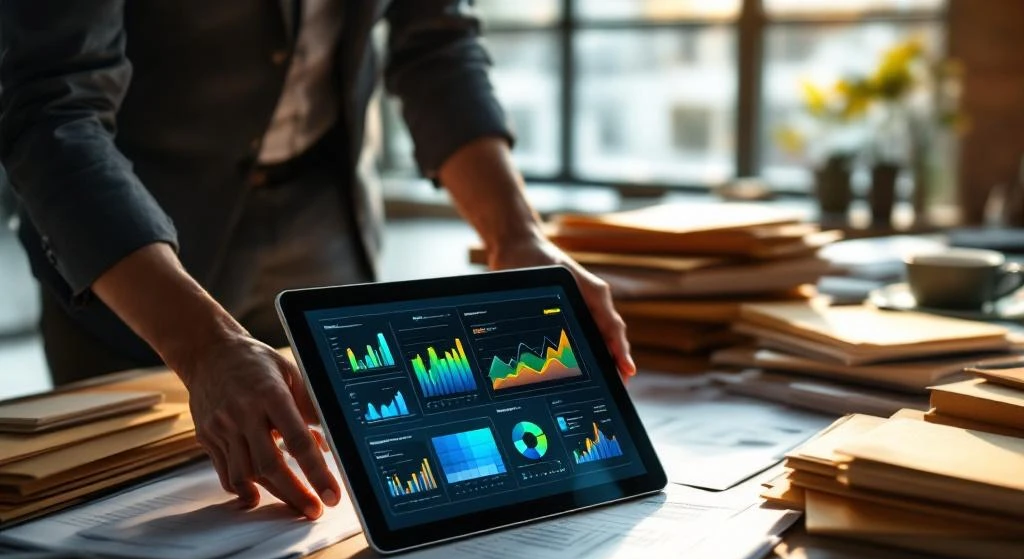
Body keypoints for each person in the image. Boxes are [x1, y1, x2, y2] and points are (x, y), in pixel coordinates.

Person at [0, 1, 634, 520]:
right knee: (116, 522)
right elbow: (53, 109)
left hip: (325, 222)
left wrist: (518, 236)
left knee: (353, 511)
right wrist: (201, 346)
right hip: (138, 249)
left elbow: (438, 45)